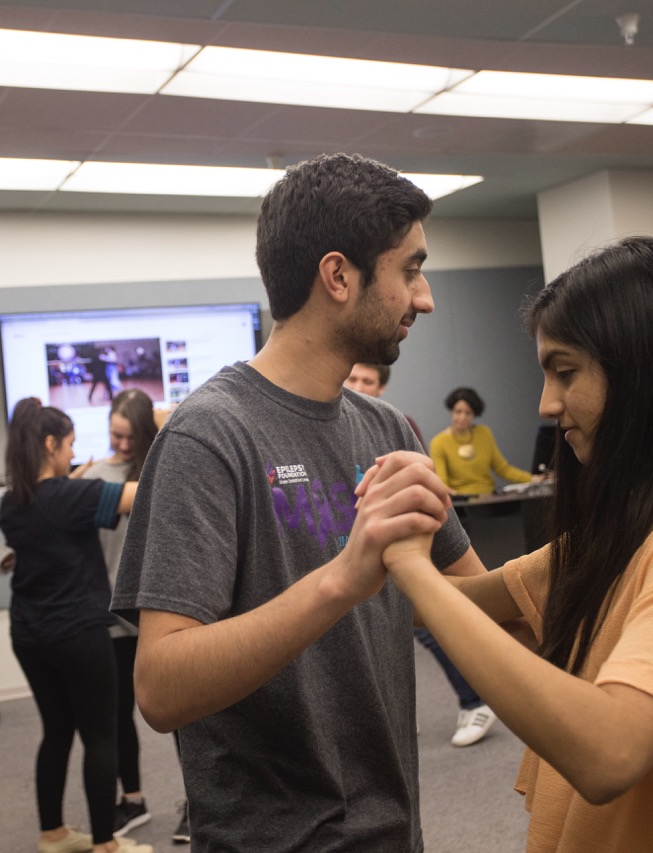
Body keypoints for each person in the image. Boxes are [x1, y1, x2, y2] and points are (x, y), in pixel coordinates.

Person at [377, 236, 653, 852]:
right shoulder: (624, 533)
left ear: (650, 369)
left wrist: (411, 567)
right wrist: (394, 546)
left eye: (565, 373)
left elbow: (609, 753)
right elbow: (457, 603)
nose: (547, 403)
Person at [113, 152, 483, 851]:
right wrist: (343, 579)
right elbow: (161, 685)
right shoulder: (211, 434)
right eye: (409, 269)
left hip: (392, 831)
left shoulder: (388, 428)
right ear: (339, 276)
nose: (425, 297)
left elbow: (480, 603)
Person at [0, 398, 148, 853]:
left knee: (57, 731)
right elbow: (145, 492)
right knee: (101, 734)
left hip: (29, 635)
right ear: (49, 444)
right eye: (68, 446)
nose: (72, 454)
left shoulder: (13, 499)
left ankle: (53, 833)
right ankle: (106, 843)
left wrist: (76, 477)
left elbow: (53, 507)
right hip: (79, 634)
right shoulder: (74, 497)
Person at [343, 363, 496, 747]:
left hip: (400, 555)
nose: (358, 385)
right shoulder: (336, 425)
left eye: (368, 381)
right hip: (354, 553)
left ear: (382, 387)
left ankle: (475, 700)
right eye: (354, 378)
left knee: (425, 629)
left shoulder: (392, 426)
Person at [77, 390, 161, 837]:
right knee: (115, 714)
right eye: (115, 435)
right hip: (109, 615)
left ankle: (172, 802)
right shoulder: (91, 475)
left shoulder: (163, 466)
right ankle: (132, 798)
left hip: (153, 611)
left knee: (181, 713)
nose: (123, 445)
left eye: (131, 436)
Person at [430, 386, 537, 496]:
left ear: (474, 414)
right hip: (461, 503)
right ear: (451, 411)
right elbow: (442, 482)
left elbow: (503, 469)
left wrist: (533, 479)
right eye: (458, 412)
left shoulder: (484, 433)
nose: (462, 417)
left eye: (468, 413)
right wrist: (448, 494)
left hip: (489, 498)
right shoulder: (438, 442)